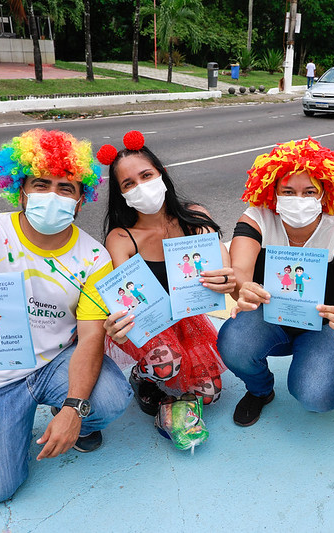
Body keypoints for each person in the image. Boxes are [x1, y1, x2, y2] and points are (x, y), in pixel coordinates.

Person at [0, 129, 131, 505]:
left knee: (111, 398)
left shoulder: (94, 257)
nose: (52, 196)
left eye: (66, 188)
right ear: (20, 190)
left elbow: (90, 338)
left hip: (55, 361)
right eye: (41, 184)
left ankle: (58, 407)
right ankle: (5, 425)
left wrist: (73, 408)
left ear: (80, 199)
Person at [217, 138, 334, 427]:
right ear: (273, 192)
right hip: (273, 315)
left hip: (328, 326)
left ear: (324, 195)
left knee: (316, 397)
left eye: (309, 191)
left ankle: (322, 363)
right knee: (233, 342)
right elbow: (240, 268)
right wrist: (244, 288)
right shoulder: (258, 219)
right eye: (288, 191)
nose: (298, 200)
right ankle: (261, 390)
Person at [97, 130, 234, 414]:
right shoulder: (122, 238)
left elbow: (222, 265)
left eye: (146, 176)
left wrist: (224, 278)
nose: (140, 186)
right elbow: (128, 303)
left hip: (188, 316)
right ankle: (141, 376)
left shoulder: (194, 215)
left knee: (209, 396)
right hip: (146, 322)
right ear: (121, 194)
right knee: (165, 364)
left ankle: (165, 369)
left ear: (162, 173)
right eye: (128, 183)